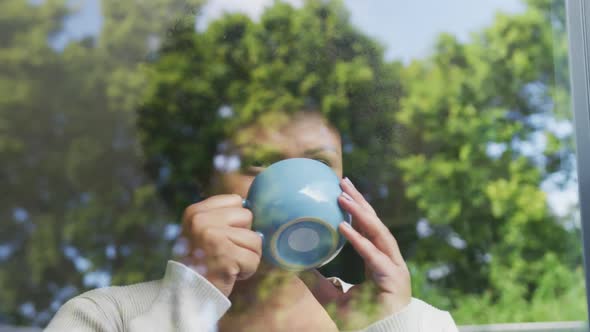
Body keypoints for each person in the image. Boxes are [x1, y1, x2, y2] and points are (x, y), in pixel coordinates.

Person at [46, 110, 458, 331]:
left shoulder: (417, 322)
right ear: (205, 188)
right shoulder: (105, 318)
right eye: (256, 164)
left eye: (316, 164)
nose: (287, 184)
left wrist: (386, 329)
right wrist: (188, 307)